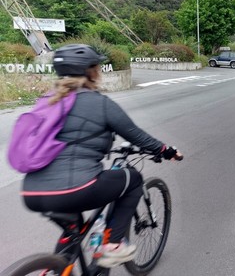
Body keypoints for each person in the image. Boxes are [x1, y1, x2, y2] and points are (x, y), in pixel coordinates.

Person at [20, 44, 183, 268]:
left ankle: (57, 267)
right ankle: (113, 245)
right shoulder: (100, 104)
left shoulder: (47, 100)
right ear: (91, 71)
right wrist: (167, 151)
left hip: (32, 191)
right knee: (133, 179)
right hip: (75, 188)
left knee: (73, 231)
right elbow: (138, 137)